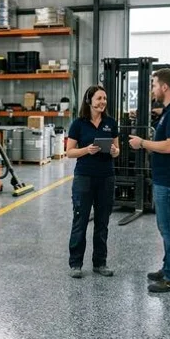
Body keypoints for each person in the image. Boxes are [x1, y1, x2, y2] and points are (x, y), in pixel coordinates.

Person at [129, 68, 170, 293]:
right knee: (165, 226)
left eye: (154, 85)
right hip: (165, 178)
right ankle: (168, 268)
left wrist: (143, 143)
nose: (153, 89)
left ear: (165, 87)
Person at [65, 86, 120, 279]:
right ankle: (76, 264)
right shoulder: (78, 124)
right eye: (99, 98)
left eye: (104, 98)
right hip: (84, 177)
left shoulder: (111, 123)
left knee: (102, 222)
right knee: (80, 220)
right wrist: (86, 150)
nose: (102, 102)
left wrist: (114, 151)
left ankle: (100, 263)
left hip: (106, 177)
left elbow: (117, 148)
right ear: (89, 100)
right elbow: (69, 152)